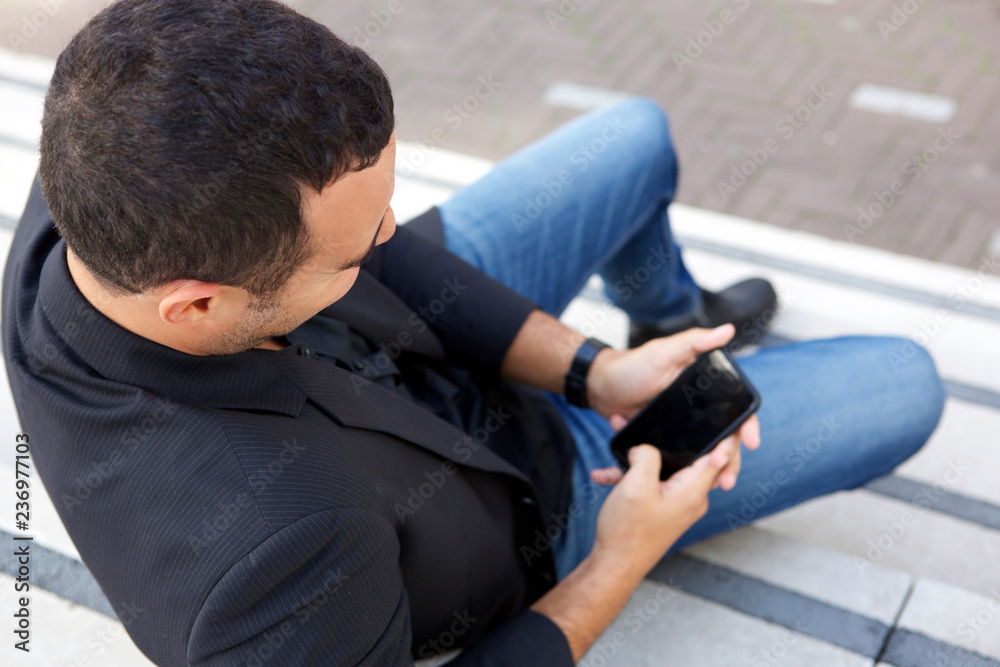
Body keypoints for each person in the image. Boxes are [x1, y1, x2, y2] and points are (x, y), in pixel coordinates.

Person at [1, 1, 946, 665]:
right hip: (532, 499)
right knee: (905, 384)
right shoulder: (268, 564)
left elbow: (381, 256)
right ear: (198, 302)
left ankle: (669, 321)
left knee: (634, 133)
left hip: (400, 338)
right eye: (354, 246)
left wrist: (595, 369)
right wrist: (622, 556)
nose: (388, 235)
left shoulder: (107, 153)